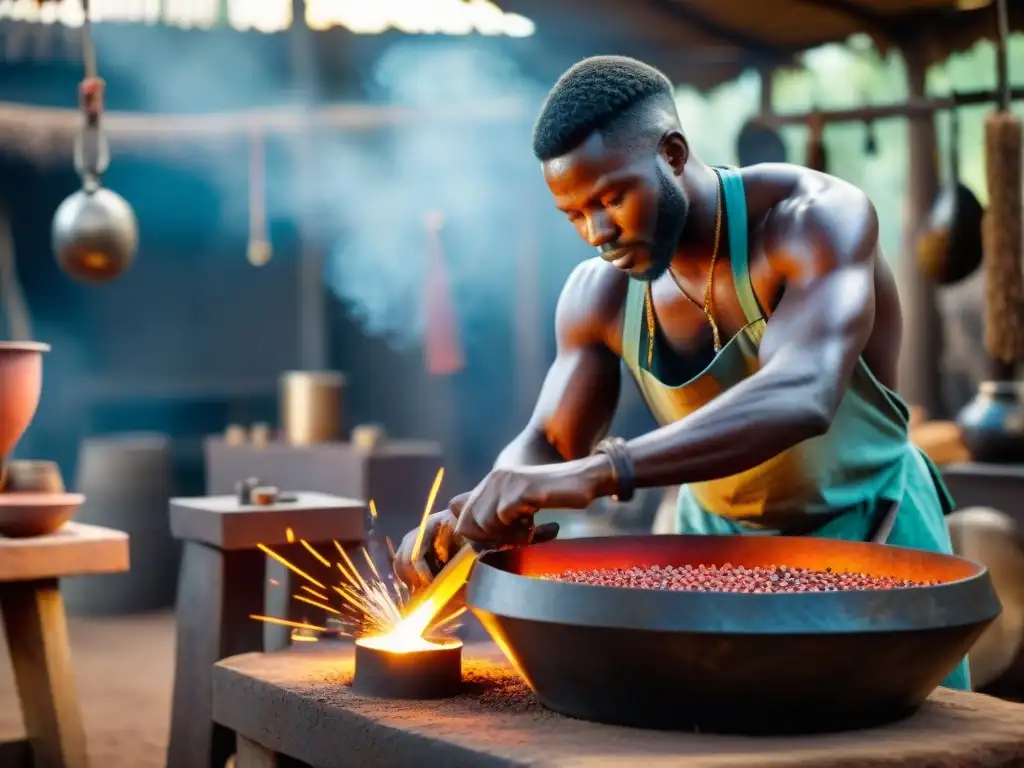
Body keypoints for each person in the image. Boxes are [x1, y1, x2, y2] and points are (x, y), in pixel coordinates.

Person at [394, 56, 969, 690]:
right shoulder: (600, 294)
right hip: (712, 549)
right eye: (575, 214)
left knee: (904, 740)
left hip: (874, 528)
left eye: (613, 198)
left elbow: (802, 393)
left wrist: (603, 472)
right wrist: (479, 509)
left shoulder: (811, 219)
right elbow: (552, 443)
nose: (598, 232)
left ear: (671, 154)